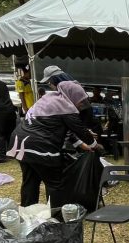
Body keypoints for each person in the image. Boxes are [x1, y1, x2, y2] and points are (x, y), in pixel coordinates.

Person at [8, 80, 101, 208]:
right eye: (80, 100)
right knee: (55, 183)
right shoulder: (65, 106)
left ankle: (27, 211)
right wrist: (94, 145)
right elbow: (79, 129)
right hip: (39, 145)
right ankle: (55, 214)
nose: (81, 104)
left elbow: (64, 128)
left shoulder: (49, 99)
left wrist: (81, 145)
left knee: (30, 180)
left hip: (20, 142)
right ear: (72, 95)